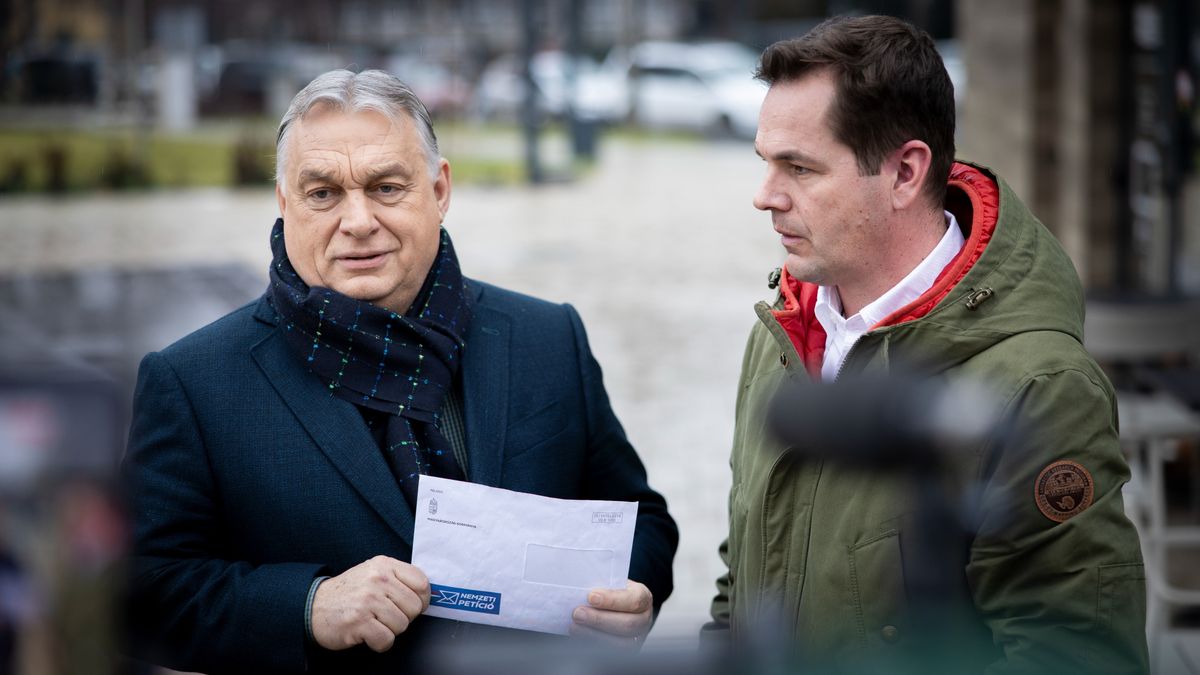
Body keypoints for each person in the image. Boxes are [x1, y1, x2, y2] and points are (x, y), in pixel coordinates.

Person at [122, 69, 678, 674]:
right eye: (323, 193)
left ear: (439, 190)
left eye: (386, 187)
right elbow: (142, 594)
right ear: (284, 203)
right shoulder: (194, 381)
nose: (358, 221)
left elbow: (642, 522)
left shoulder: (548, 337)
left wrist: (634, 597)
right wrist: (307, 606)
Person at [706, 15, 1149, 673]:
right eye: (766, 163)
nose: (765, 196)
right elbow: (740, 584)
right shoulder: (780, 334)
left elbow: (1078, 656)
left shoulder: (1041, 385)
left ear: (905, 173)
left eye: (799, 167)